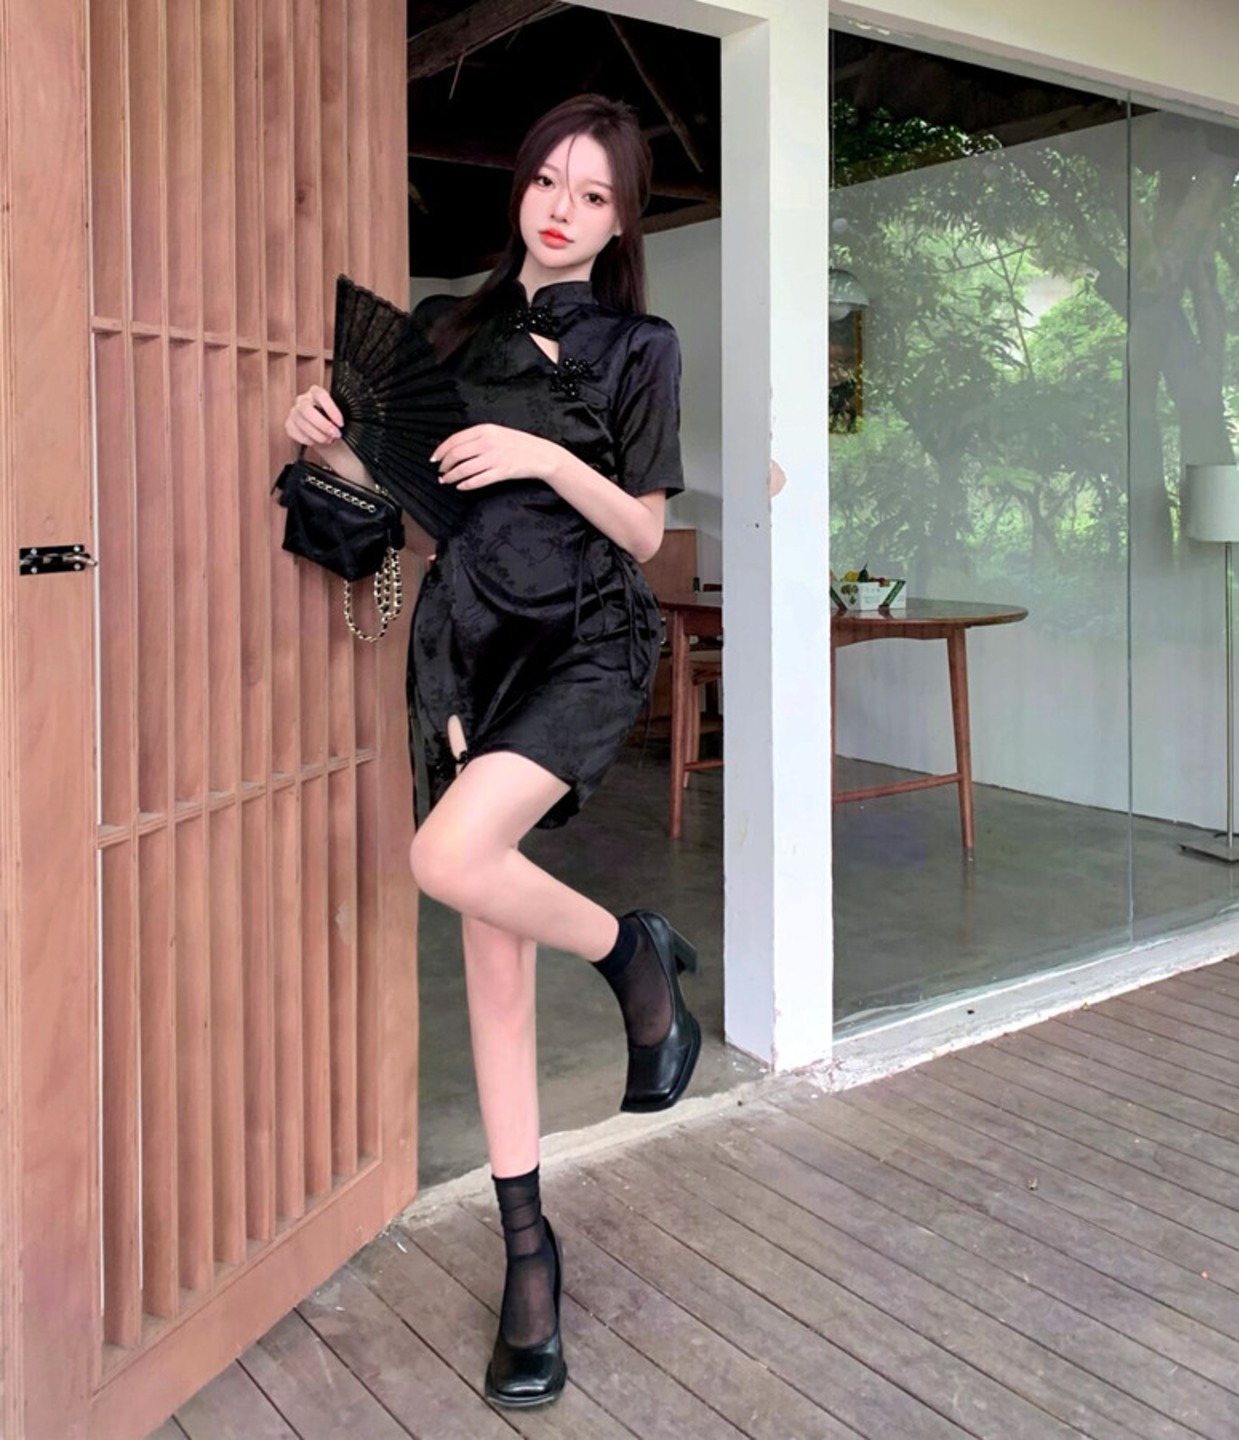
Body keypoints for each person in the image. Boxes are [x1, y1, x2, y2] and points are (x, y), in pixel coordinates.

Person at [284, 94, 700, 1409]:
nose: (562, 208)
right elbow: (409, 518)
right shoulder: (446, 334)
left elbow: (645, 533)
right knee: (490, 952)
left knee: (448, 855)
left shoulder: (639, 345)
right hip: (469, 647)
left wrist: (537, 451)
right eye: (547, 180)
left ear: (621, 222)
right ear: (519, 186)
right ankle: (529, 1256)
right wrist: (336, 446)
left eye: (594, 193)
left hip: (585, 635)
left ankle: (632, 955)